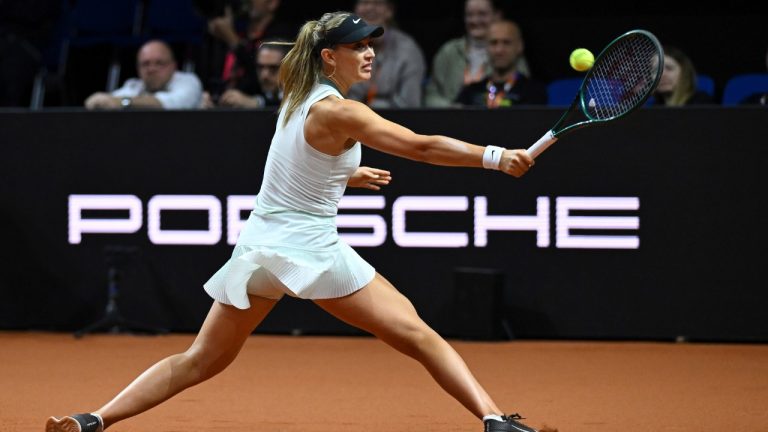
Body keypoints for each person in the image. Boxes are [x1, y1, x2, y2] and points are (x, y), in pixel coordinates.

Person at [47, 12, 545, 432]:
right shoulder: (341, 111)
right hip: (309, 251)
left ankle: (93, 419)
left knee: (200, 360)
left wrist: (347, 174)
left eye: (371, 45)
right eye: (357, 47)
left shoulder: (297, 96)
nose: (369, 53)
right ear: (330, 56)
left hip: (258, 249)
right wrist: (496, 156)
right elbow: (421, 146)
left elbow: (302, 162)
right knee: (420, 335)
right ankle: (494, 420)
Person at [424, 0, 531, 108]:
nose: (475, 20)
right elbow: (431, 94)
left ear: (497, 15)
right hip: (447, 120)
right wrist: (454, 110)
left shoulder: (508, 53)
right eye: (469, 15)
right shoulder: (449, 51)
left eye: (482, 14)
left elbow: (520, 90)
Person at [204, 0, 293, 100]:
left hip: (259, 108)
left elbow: (267, 78)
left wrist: (233, 41)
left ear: (272, 3)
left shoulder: (281, 34)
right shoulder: (237, 30)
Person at [346, 0, 426, 108]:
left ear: (389, 11)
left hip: (392, 120)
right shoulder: (342, 45)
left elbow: (410, 103)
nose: (370, 8)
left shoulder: (408, 49)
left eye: (377, 3)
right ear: (356, 10)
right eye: (364, 2)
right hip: (348, 117)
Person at [84, 40, 202, 110]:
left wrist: (123, 102)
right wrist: (98, 101)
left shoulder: (188, 81)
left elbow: (172, 103)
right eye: (145, 64)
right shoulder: (134, 85)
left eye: (159, 63)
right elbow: (110, 100)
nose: (151, 69)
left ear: (173, 66)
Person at [455, 20, 546, 107]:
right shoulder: (471, 92)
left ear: (519, 46)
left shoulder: (534, 91)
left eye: (506, 43)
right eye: (493, 43)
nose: (499, 50)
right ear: (486, 47)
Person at [201, 40, 289, 108]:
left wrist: (257, 103)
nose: (264, 75)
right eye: (260, 67)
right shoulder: (253, 85)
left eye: (273, 68)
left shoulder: (298, 95)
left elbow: (283, 105)